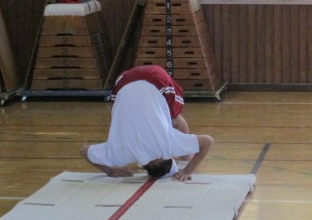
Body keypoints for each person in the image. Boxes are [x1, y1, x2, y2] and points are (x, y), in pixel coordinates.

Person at [80, 65, 213, 182]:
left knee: (174, 119)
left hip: (156, 78)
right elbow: (83, 151)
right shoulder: (121, 155)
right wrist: (110, 171)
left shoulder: (167, 147)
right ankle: (186, 155)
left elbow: (208, 141)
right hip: (124, 80)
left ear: (167, 157)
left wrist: (188, 170)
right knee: (172, 119)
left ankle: (186, 154)